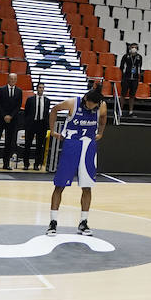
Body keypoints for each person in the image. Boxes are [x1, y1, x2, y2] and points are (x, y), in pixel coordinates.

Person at [47, 86, 106, 236]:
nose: (92, 108)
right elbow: (54, 109)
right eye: (90, 105)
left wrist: (101, 133)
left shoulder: (102, 105)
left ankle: (83, 222)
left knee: (87, 187)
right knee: (60, 185)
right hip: (71, 145)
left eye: (95, 105)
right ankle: (53, 223)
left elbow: (104, 118)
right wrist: (52, 130)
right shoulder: (72, 103)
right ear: (86, 99)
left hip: (89, 147)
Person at [0, 72, 23, 170]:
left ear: (16, 80)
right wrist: (5, 115)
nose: (13, 81)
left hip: (12, 120)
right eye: (11, 79)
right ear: (8, 79)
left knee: (9, 143)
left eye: (14, 79)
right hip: (0, 119)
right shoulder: (1, 89)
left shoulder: (19, 91)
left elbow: (18, 106)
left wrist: (11, 116)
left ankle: (6, 164)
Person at [23, 82, 51, 169]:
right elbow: (26, 112)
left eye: (42, 87)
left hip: (41, 124)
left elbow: (46, 114)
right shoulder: (30, 99)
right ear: (36, 88)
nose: (41, 89)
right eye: (39, 87)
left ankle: (36, 164)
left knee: (39, 146)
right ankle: (26, 164)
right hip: (31, 124)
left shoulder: (47, 100)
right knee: (28, 144)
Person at [119, 43, 143, 116]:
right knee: (123, 94)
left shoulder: (139, 57)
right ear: (130, 48)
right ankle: (120, 110)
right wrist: (124, 74)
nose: (134, 49)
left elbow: (139, 67)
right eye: (132, 47)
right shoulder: (126, 56)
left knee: (132, 95)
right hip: (126, 78)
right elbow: (121, 66)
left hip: (135, 79)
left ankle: (131, 111)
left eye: (135, 47)